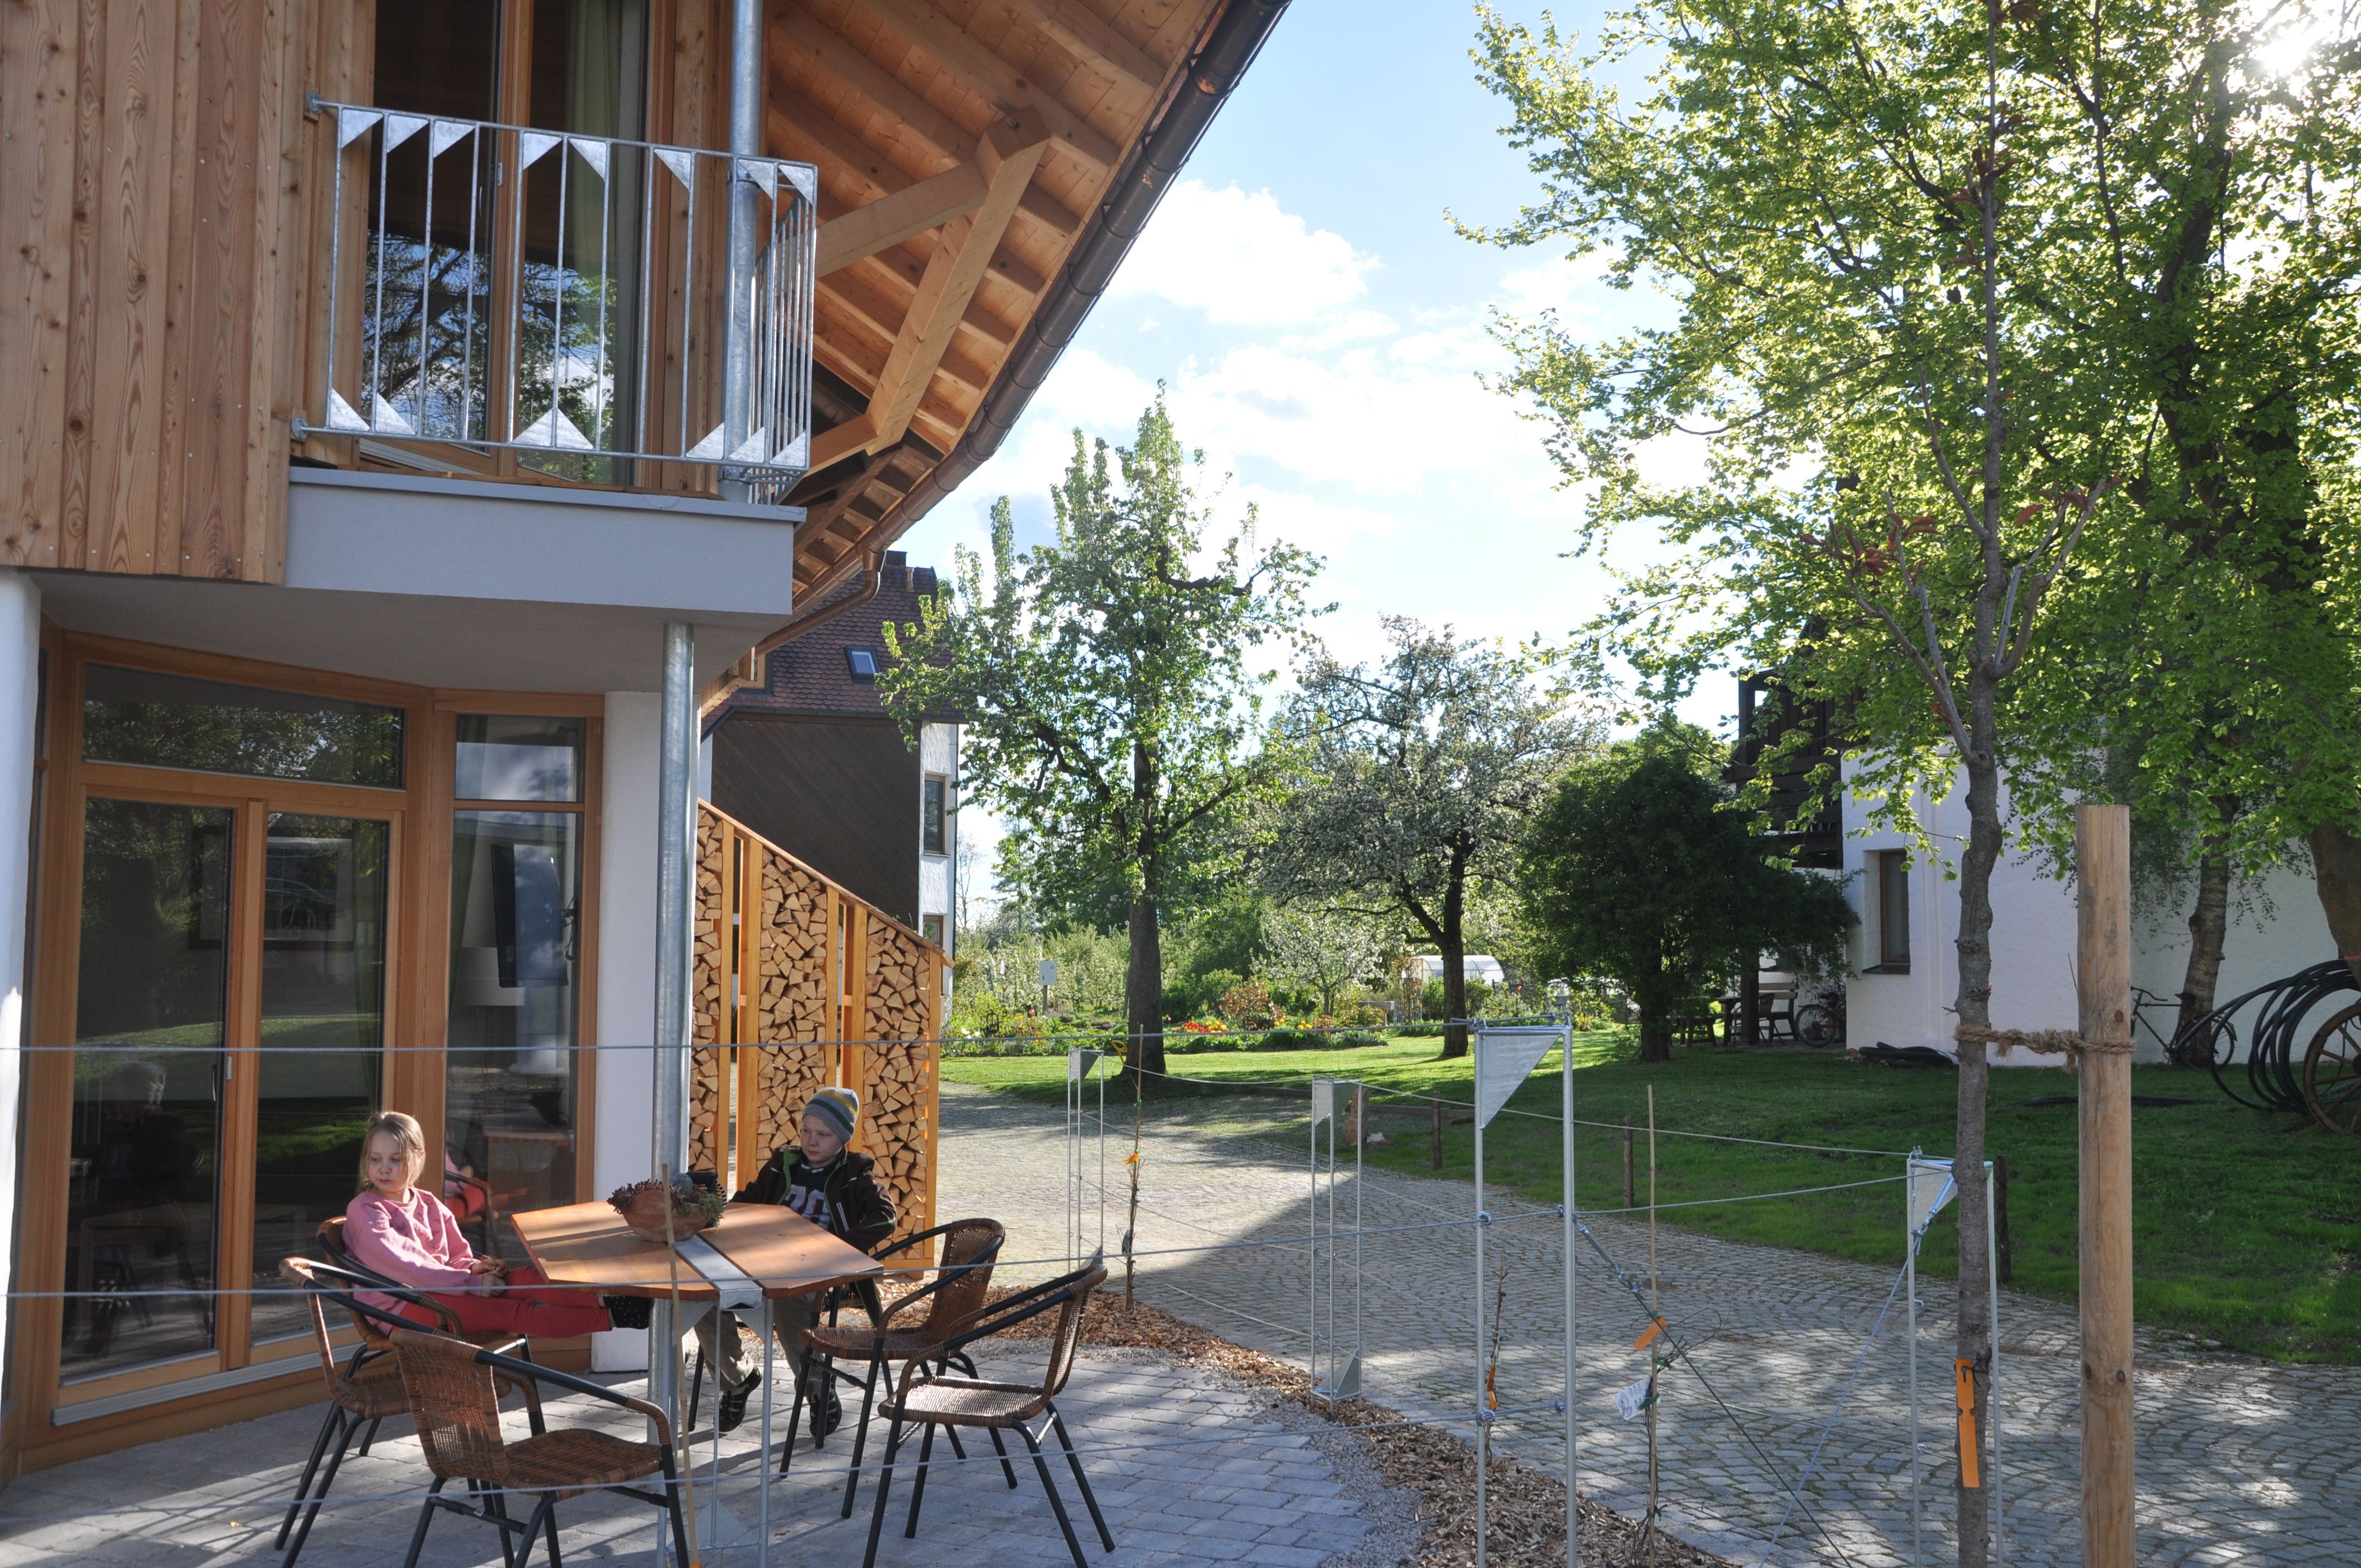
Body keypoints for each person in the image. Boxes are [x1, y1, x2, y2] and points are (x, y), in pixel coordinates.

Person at [697, 1086, 896, 1433]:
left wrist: (837, 1248)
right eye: (806, 1131)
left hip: (815, 1273)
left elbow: (886, 1217)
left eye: (823, 1134)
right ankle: (738, 1378)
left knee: (790, 1307)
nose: (811, 1141)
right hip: (760, 1261)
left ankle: (817, 1389)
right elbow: (747, 1203)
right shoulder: (783, 1163)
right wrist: (713, 1210)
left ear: (843, 1139)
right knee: (701, 1296)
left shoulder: (855, 1173)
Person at [344, 1112, 646, 1337]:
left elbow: (455, 1256)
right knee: (511, 1310)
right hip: (401, 1308)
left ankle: (610, 1299)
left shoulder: (427, 1202)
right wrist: (473, 1284)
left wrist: (476, 1268)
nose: (384, 1169)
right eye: (375, 1159)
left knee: (525, 1277)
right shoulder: (365, 1211)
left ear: (418, 1158)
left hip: (444, 1290)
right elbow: (408, 1268)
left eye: (395, 1160)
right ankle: (615, 1317)